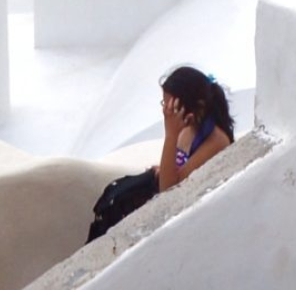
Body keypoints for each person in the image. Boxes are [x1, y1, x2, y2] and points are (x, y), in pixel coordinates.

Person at [85, 66, 235, 243]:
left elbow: (169, 189)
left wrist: (170, 134)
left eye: (172, 107)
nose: (167, 113)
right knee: (114, 197)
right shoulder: (186, 130)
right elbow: (173, 167)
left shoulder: (216, 141)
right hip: (165, 189)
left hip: (180, 209)